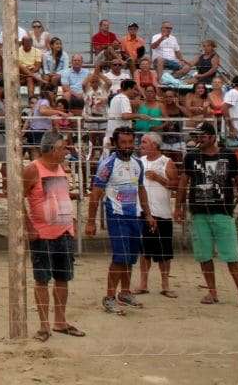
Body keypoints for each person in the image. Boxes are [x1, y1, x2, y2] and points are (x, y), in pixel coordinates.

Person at [177, 122, 238, 311]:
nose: (198, 139)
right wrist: (178, 207)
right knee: (204, 255)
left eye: (202, 136)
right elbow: (183, 182)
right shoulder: (191, 156)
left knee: (232, 256)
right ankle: (213, 292)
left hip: (223, 212)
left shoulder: (228, 155)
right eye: (197, 136)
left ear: (213, 137)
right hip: (199, 212)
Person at [87, 126, 156, 315]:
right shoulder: (107, 165)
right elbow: (95, 195)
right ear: (115, 144)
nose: (127, 146)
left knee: (131, 256)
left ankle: (125, 293)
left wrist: (148, 214)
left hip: (134, 216)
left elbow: (141, 189)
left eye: (130, 142)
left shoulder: (137, 164)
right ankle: (109, 297)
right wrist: (91, 222)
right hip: (116, 216)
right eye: (123, 142)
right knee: (120, 257)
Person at [23, 131, 84, 341]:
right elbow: (16, 197)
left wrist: (71, 218)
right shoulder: (32, 169)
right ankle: (44, 325)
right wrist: (28, 226)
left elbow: (60, 195)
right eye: (62, 148)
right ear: (51, 149)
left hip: (64, 230)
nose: (65, 152)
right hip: (42, 233)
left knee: (62, 278)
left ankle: (60, 321)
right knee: (42, 279)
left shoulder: (61, 168)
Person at [132, 132, 179, 298]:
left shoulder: (167, 162)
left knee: (164, 252)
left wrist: (159, 178)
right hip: (143, 214)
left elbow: (176, 185)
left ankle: (165, 285)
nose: (141, 144)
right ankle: (143, 283)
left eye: (144, 142)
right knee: (145, 252)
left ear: (154, 144)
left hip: (162, 214)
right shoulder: (139, 162)